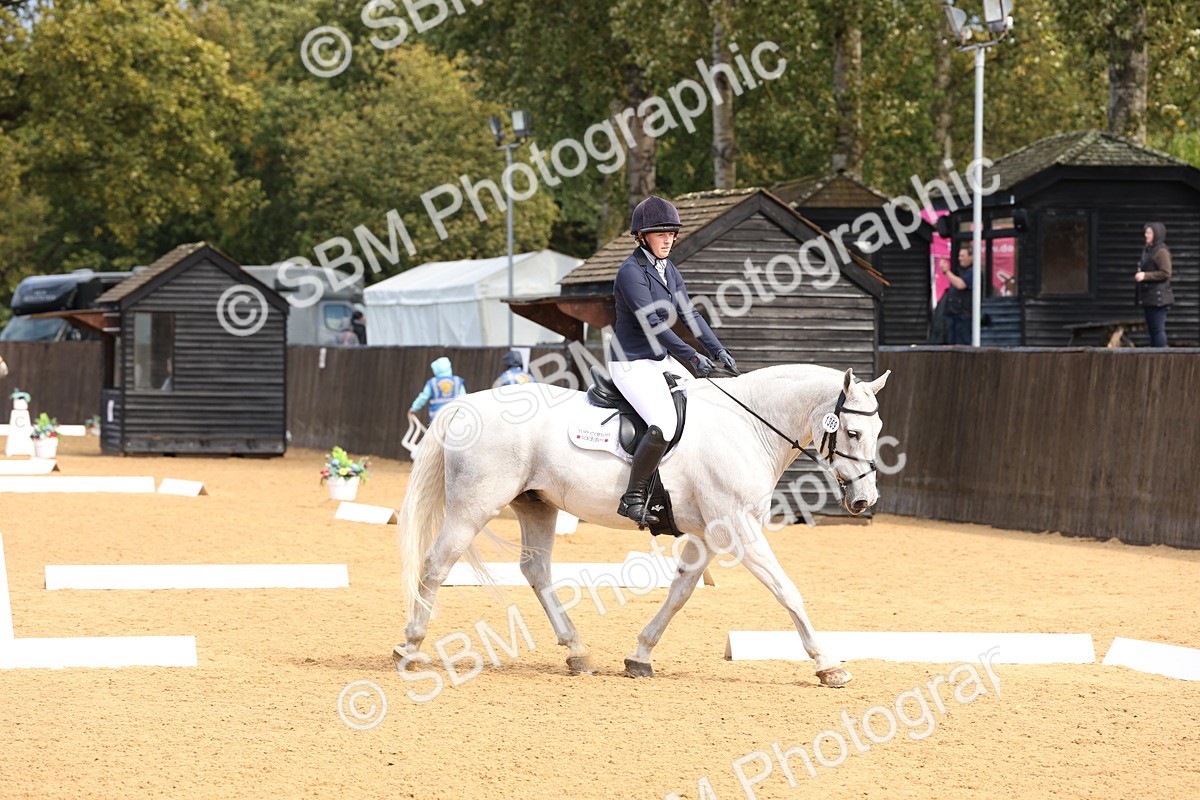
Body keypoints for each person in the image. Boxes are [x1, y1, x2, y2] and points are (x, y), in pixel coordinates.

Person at [609, 194, 736, 526]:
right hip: (631, 362)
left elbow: (690, 314)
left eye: (671, 233)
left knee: (702, 401)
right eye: (660, 233)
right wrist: (692, 356)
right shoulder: (630, 272)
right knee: (664, 422)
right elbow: (653, 323)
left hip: (658, 359)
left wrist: (716, 349)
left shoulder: (669, 270)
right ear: (643, 236)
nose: (668, 239)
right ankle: (633, 497)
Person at [1135, 222, 1174, 347]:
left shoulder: (1161, 251)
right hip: (1149, 297)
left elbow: (1166, 272)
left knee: (1158, 329)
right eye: (1146, 232)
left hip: (1159, 298)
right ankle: (1153, 356)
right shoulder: (1148, 250)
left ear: (1156, 234)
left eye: (1149, 233)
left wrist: (1145, 275)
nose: (1146, 235)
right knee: (1152, 330)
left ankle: (1161, 356)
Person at [408, 356, 466, 423]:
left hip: (437, 417)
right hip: (455, 416)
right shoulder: (457, 381)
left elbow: (423, 397)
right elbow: (464, 397)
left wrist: (414, 408)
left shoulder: (432, 383)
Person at [941, 244, 974, 345]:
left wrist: (946, 271)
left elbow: (960, 284)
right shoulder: (961, 271)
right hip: (955, 316)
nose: (960, 259)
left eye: (963, 256)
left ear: (971, 257)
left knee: (963, 344)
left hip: (964, 316)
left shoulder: (973, 272)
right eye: (959, 256)